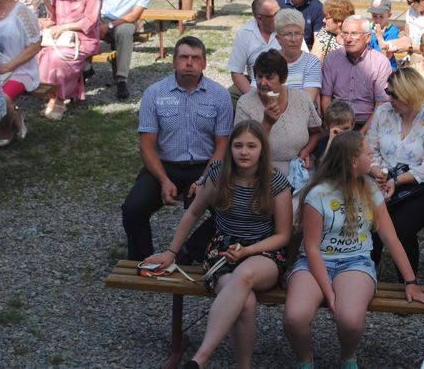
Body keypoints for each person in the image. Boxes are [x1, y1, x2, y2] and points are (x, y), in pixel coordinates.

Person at [144, 120, 292, 369]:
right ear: (230, 148)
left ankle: (200, 358)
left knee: (244, 275)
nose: (244, 152)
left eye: (251, 146)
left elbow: (283, 235)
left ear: (262, 150)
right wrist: (171, 252)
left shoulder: (275, 182)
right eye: (238, 145)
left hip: (263, 251)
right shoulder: (218, 174)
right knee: (245, 303)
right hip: (223, 249)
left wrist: (247, 251)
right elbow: (193, 213)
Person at [283, 131, 424, 369]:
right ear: (354, 161)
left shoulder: (370, 189)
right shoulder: (318, 194)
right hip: (315, 262)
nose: (373, 158)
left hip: (355, 262)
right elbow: (311, 248)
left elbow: (390, 237)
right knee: (295, 317)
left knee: (350, 320)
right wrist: (328, 291)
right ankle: (305, 360)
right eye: (368, 154)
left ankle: (348, 357)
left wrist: (410, 280)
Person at [121, 36, 233, 260]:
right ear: (173, 62)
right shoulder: (154, 93)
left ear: (204, 63)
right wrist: (163, 180)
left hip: (207, 166)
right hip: (164, 166)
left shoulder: (220, 95)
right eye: (183, 57)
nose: (189, 63)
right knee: (133, 209)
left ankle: (189, 251)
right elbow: (146, 146)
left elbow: (223, 145)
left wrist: (204, 180)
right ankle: (142, 260)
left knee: (230, 211)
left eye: (195, 58)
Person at [367, 68, 424, 279]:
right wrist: (378, 173)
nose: (388, 98)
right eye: (387, 91)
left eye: (394, 94)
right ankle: (367, 272)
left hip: (423, 185)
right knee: (370, 220)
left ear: (409, 95)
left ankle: (408, 280)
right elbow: (369, 150)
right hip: (382, 178)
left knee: (402, 227)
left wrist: (396, 181)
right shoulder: (383, 113)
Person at [235, 49, 321, 175]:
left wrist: (307, 150)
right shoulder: (245, 103)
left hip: (298, 166)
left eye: (269, 77)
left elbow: (316, 131)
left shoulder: (301, 98)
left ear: (283, 78)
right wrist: (267, 123)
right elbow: (243, 146)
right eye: (259, 76)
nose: (263, 83)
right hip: (260, 168)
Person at [37, 0, 102, 121]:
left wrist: (65, 27)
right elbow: (54, 16)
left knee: (56, 57)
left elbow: (90, 21)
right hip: (61, 38)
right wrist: (46, 0)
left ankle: (59, 100)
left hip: (84, 39)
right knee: (42, 55)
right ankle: (53, 96)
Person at [96, 0, 154, 100]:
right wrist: (95, 22)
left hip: (124, 19)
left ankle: (122, 79)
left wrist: (108, 26)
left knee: (125, 31)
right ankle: (84, 69)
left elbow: (135, 15)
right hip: (101, 15)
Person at [321, 15, 391, 134]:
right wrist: (334, 129)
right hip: (336, 123)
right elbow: (326, 97)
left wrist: (361, 134)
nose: (348, 39)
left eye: (354, 33)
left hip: (367, 124)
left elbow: (381, 105)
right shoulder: (332, 59)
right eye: (345, 33)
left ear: (368, 38)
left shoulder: (380, 62)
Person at [0, 0, 40, 147]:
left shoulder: (20, 12)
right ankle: (16, 118)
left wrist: (9, 66)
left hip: (20, 69)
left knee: (4, 99)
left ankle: (6, 130)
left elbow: (35, 45)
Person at [227, 0, 281, 106]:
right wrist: (254, 97)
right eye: (274, 15)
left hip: (285, 84)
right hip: (256, 86)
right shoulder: (244, 33)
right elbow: (236, 72)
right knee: (226, 98)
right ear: (259, 18)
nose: (279, 17)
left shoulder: (288, 28)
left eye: (279, 12)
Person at [275, 9, 322, 107]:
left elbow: (307, 101)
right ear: (278, 39)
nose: (293, 39)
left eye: (297, 33)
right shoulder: (268, 61)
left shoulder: (311, 62)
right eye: (287, 34)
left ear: (303, 35)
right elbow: (258, 94)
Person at [311, 0, 355, 65]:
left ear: (339, 21)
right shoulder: (324, 33)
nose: (323, 20)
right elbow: (313, 64)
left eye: (326, 18)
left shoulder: (355, 39)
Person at [367, 0, 400, 71]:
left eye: (381, 17)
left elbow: (385, 55)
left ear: (389, 15)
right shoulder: (368, 28)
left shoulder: (393, 31)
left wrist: (379, 36)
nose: (378, 20)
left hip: (387, 66)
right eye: (374, 16)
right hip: (370, 64)